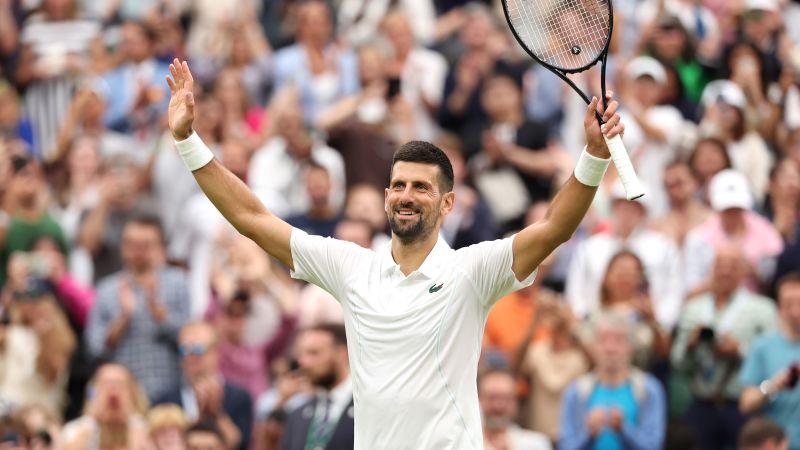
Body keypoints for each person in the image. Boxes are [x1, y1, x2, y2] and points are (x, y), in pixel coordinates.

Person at [166, 57, 626, 448]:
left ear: (448, 203)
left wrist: (592, 154)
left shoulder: (473, 270)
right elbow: (253, 219)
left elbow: (554, 229)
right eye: (400, 185)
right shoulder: (351, 267)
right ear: (386, 195)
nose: (407, 195)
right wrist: (188, 141)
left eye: (422, 187)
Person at [671, 245, 778, 450]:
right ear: (711, 269)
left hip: (741, 405)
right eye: (720, 265)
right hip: (703, 401)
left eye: (733, 266)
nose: (725, 271)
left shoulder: (762, 308)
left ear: (743, 271)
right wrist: (692, 346)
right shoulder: (694, 307)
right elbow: (678, 363)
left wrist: (740, 350)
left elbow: (772, 360)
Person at [85, 215, 190, 401]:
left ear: (160, 247)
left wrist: (159, 313)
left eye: (146, 245)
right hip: (125, 396)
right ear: (122, 247)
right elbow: (95, 348)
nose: (138, 252)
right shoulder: (107, 289)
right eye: (132, 245)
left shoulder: (178, 282)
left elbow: (190, 340)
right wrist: (123, 318)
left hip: (170, 390)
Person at [558, 312, 666, 450]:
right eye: (603, 340)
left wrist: (624, 429)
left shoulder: (649, 390)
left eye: (619, 340)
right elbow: (565, 446)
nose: (610, 348)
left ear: (631, 348)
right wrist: (589, 433)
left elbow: (654, 446)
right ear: (593, 347)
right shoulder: (575, 391)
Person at [156, 321, 252, 450]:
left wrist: (215, 411)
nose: (191, 357)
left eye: (197, 349)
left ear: (217, 352)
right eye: (184, 350)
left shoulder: (239, 398)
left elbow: (241, 444)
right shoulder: (164, 400)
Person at [739, 273, 800, 450]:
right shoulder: (762, 346)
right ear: (779, 306)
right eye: (789, 304)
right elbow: (746, 403)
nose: (795, 311)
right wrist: (772, 385)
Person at [281, 324, 353, 450]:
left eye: (313, 353)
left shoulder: (368, 410)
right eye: (300, 354)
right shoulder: (297, 414)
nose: (303, 362)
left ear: (342, 354)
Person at [61, 363, 152, 450]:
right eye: (106, 384)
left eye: (120, 384)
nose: (113, 390)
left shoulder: (147, 429)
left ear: (132, 392)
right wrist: (92, 419)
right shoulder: (74, 430)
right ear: (93, 392)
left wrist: (131, 418)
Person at [479, 369, 552, 450]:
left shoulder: (537, 444)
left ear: (515, 402)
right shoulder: (466, 442)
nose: (498, 406)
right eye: (491, 398)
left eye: (505, 398)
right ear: (479, 400)